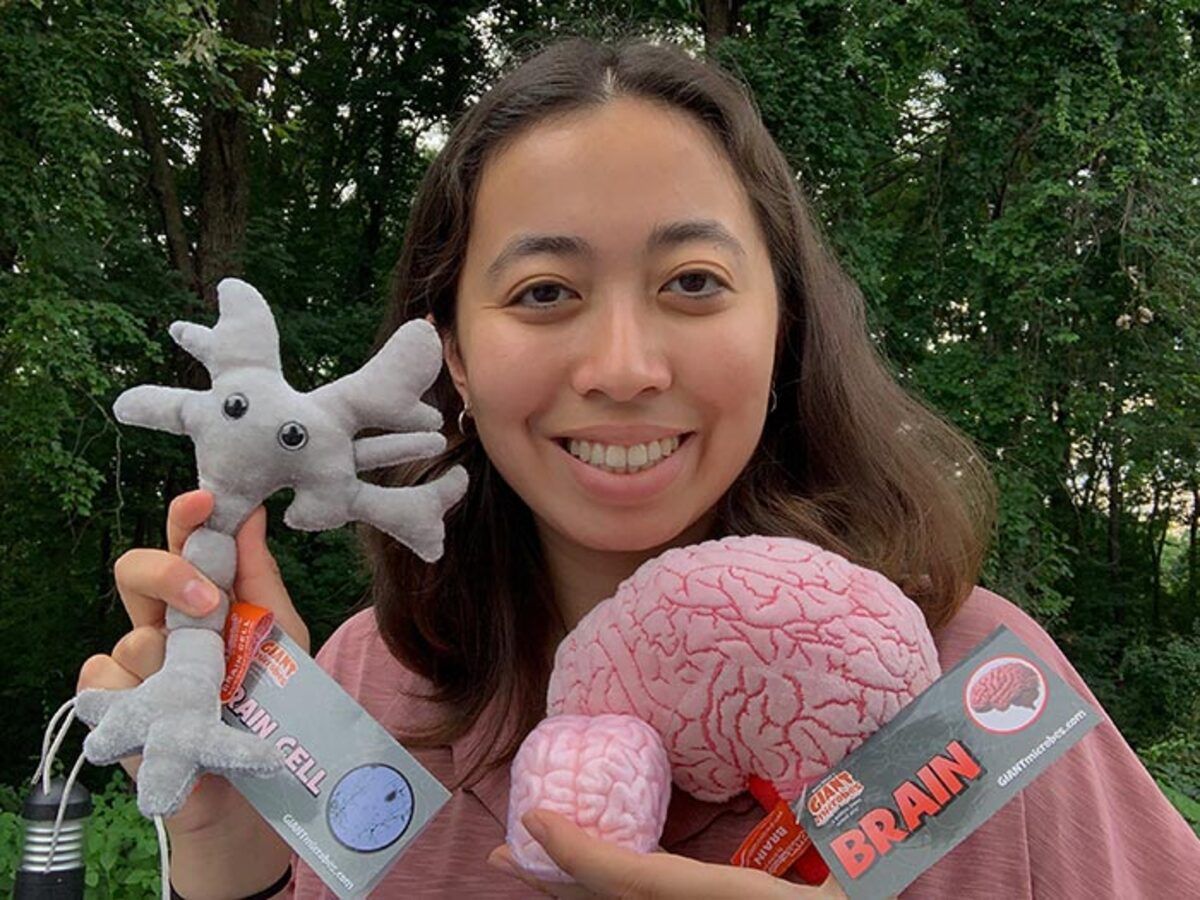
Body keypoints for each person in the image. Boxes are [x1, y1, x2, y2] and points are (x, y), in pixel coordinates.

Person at [76, 37, 1200, 899]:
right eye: (544, 293)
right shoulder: (367, 689)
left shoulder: (978, 697)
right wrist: (233, 863)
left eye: (693, 282)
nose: (622, 367)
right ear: (452, 355)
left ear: (783, 326)